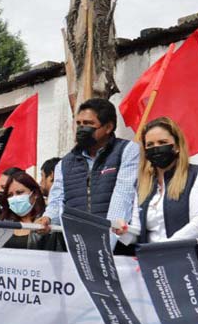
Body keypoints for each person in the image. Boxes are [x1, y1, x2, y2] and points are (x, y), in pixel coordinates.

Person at [37, 99, 138, 245]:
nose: (82, 128)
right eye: (79, 124)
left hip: (115, 247)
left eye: (89, 124)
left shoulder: (127, 151)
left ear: (108, 127)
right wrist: (47, 218)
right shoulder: (65, 163)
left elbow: (123, 197)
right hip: (77, 247)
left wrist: (106, 244)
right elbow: (57, 201)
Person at [116, 117, 198, 244]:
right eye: (150, 145)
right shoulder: (143, 183)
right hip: (150, 258)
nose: (156, 148)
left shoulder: (196, 174)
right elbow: (138, 233)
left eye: (162, 142)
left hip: (183, 257)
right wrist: (123, 232)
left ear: (177, 146)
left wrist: (165, 247)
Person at [0, 171, 52, 250]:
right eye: (10, 195)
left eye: (19, 192)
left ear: (35, 194)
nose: (15, 198)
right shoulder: (4, 222)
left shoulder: (47, 221)